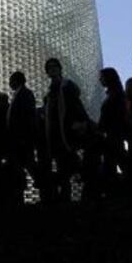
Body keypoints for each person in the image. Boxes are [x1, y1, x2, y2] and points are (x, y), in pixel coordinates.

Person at [42, 58, 90, 202]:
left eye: (55, 66)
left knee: (66, 168)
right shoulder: (50, 92)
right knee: (64, 167)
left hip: (66, 133)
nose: (52, 69)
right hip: (55, 135)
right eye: (49, 67)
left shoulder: (67, 86)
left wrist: (82, 122)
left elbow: (77, 105)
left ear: (60, 68)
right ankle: (66, 199)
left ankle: (68, 199)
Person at [6, 71, 38, 204]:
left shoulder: (25, 94)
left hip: (22, 138)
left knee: (27, 165)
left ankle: (45, 185)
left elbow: (28, 116)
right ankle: (19, 193)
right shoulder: (19, 94)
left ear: (16, 81)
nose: (9, 84)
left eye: (10, 81)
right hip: (18, 139)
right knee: (22, 165)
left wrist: (25, 137)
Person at [97, 68, 127, 198]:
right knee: (116, 161)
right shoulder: (114, 94)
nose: (100, 80)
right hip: (113, 134)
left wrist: (100, 127)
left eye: (102, 77)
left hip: (113, 134)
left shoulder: (115, 96)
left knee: (113, 162)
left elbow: (112, 116)